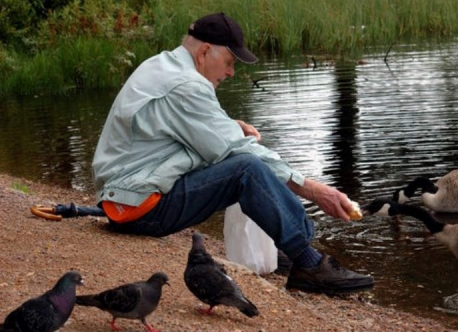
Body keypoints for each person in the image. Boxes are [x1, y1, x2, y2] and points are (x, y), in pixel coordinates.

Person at [91, 12, 374, 294]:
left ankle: (287, 247)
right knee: (246, 168)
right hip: (139, 208)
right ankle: (308, 263)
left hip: (123, 198)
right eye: (229, 62)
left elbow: (175, 127)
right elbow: (233, 150)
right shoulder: (187, 85)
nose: (230, 72)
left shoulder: (162, 65)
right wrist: (314, 190)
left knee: (239, 161)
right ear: (204, 52)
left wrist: (231, 126)